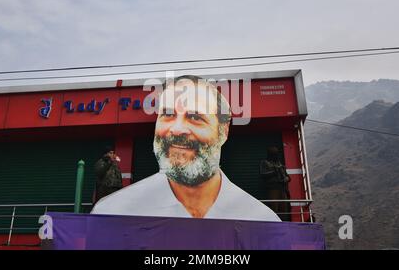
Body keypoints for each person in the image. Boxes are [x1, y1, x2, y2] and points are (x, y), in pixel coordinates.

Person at [92, 75, 280, 222]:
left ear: (223, 131)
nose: (177, 129)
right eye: (167, 115)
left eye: (195, 117)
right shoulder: (113, 213)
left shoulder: (261, 221)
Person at [260, 146, 291, 221]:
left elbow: (288, 177)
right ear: (270, 154)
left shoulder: (279, 164)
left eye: (276, 154)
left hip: (282, 189)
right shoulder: (264, 162)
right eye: (274, 154)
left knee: (284, 208)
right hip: (272, 189)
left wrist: (286, 179)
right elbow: (263, 174)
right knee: (274, 208)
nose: (276, 156)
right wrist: (274, 172)